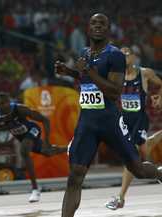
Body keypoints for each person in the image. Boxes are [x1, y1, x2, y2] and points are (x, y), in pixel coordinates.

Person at [55, 13, 162, 217]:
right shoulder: (84, 52)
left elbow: (114, 91)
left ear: (108, 29)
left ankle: (158, 173)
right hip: (87, 122)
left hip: (110, 121)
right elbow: (86, 79)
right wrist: (70, 72)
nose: (97, 26)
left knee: (138, 170)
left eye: (102, 24)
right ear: (88, 28)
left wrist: (89, 71)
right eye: (93, 23)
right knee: (75, 176)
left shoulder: (115, 55)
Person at [0, 92, 67, 202]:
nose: (5, 105)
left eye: (6, 102)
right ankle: (69, 148)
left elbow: (44, 120)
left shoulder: (20, 109)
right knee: (48, 152)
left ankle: (35, 189)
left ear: (9, 101)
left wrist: (46, 141)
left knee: (24, 150)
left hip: (33, 130)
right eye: (1, 104)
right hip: (22, 137)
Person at [105, 47, 162, 210]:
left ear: (134, 57)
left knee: (133, 157)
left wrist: (159, 98)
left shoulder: (144, 73)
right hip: (124, 120)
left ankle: (120, 198)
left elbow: (159, 85)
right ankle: (158, 173)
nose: (123, 58)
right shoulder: (116, 76)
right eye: (120, 56)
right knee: (142, 156)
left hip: (139, 119)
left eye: (126, 55)